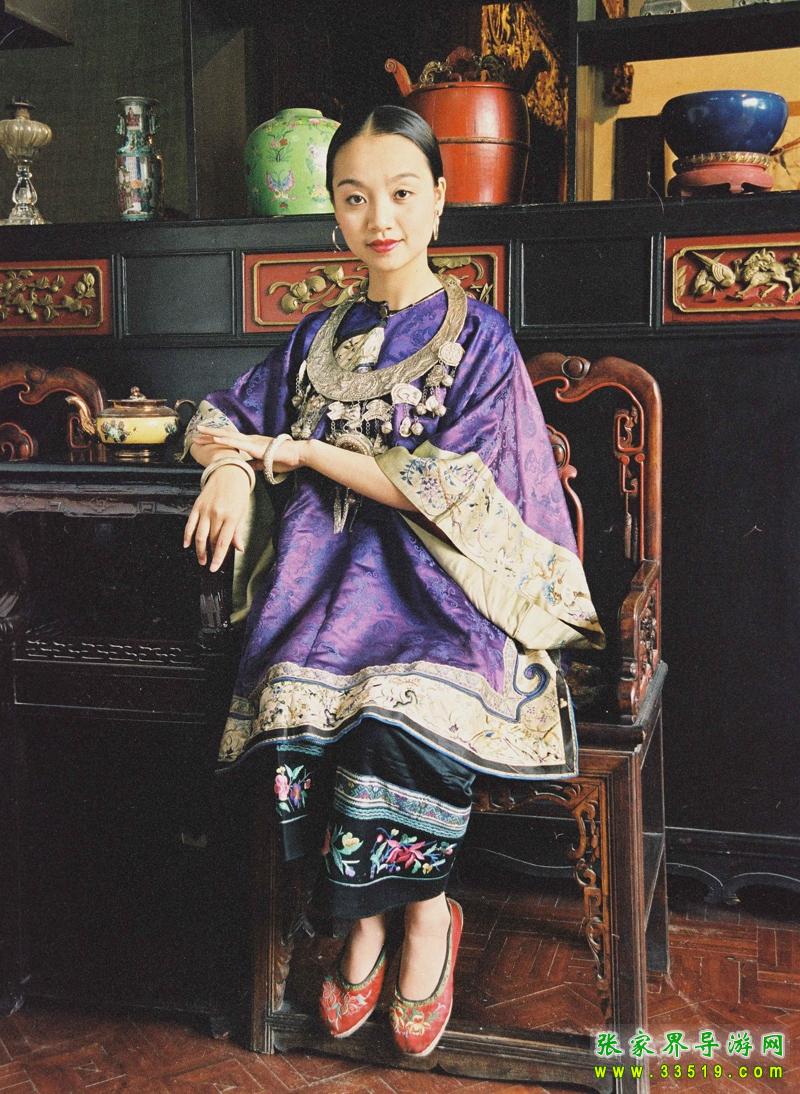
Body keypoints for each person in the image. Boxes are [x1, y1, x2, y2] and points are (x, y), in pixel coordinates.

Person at [182, 105, 604, 1058]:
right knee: (293, 697)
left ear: (440, 201)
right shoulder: (315, 337)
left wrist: (300, 451)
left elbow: (445, 488)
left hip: (445, 591)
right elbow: (219, 416)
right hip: (324, 590)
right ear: (334, 213)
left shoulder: (478, 337)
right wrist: (230, 467)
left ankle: (421, 918)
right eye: (354, 197)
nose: (381, 217)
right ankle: (366, 920)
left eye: (402, 193)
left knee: (396, 708)